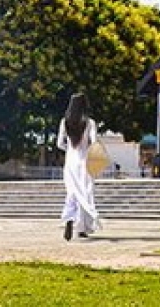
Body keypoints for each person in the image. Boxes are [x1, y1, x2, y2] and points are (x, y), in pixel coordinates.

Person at [56, 92, 101, 240]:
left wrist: (69, 149)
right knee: (84, 193)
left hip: (70, 161)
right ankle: (81, 227)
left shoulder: (64, 122)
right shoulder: (90, 123)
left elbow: (59, 143)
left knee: (72, 192)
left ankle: (69, 218)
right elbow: (94, 142)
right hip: (84, 161)